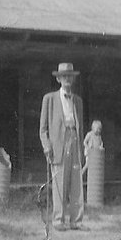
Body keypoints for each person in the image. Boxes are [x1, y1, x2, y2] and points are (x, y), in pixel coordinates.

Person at [39, 63, 86, 231]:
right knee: (59, 181)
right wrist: (47, 146)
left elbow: (80, 125)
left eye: (70, 76)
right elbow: (43, 129)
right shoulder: (49, 99)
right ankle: (58, 221)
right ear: (58, 79)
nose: (67, 79)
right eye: (64, 76)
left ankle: (76, 221)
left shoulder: (78, 101)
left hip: (74, 139)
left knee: (76, 182)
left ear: (73, 79)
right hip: (58, 143)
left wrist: (81, 147)